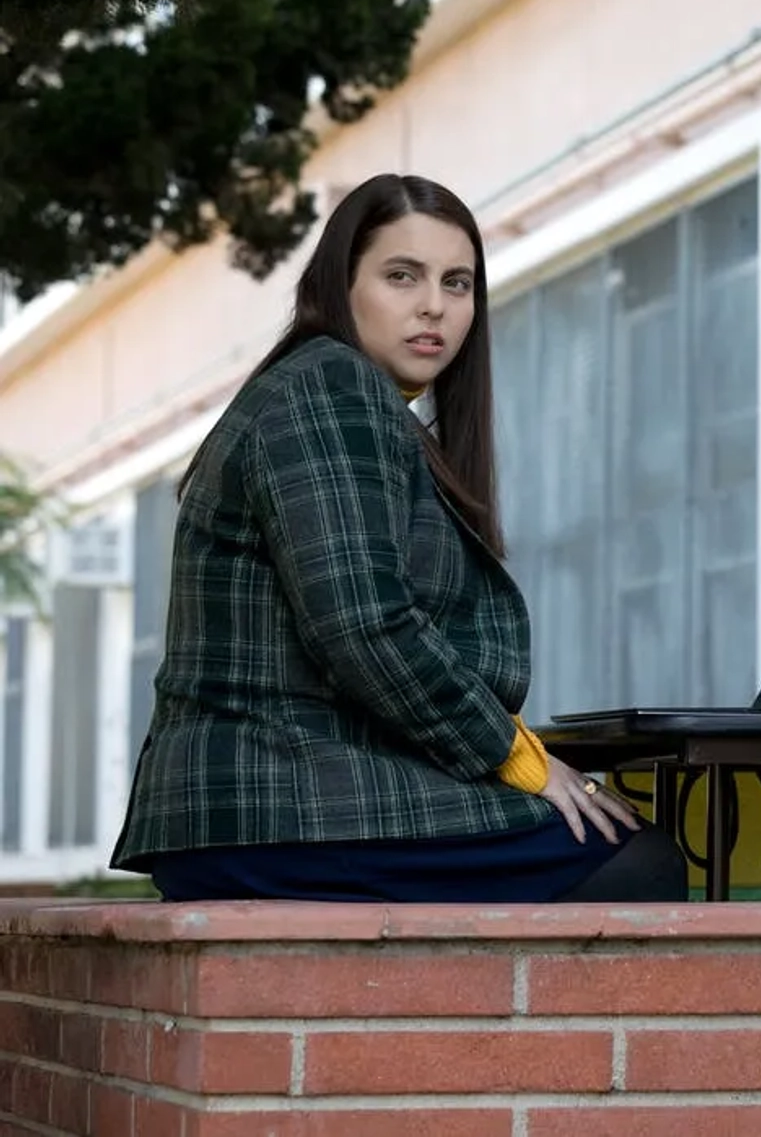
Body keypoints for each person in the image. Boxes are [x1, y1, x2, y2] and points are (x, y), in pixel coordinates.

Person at [110, 173, 688, 903]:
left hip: (280, 801)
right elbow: (364, 625)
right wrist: (520, 759)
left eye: (457, 283)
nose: (433, 307)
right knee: (633, 860)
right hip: (273, 802)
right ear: (341, 284)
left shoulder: (354, 400)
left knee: (611, 838)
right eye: (401, 276)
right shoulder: (329, 387)